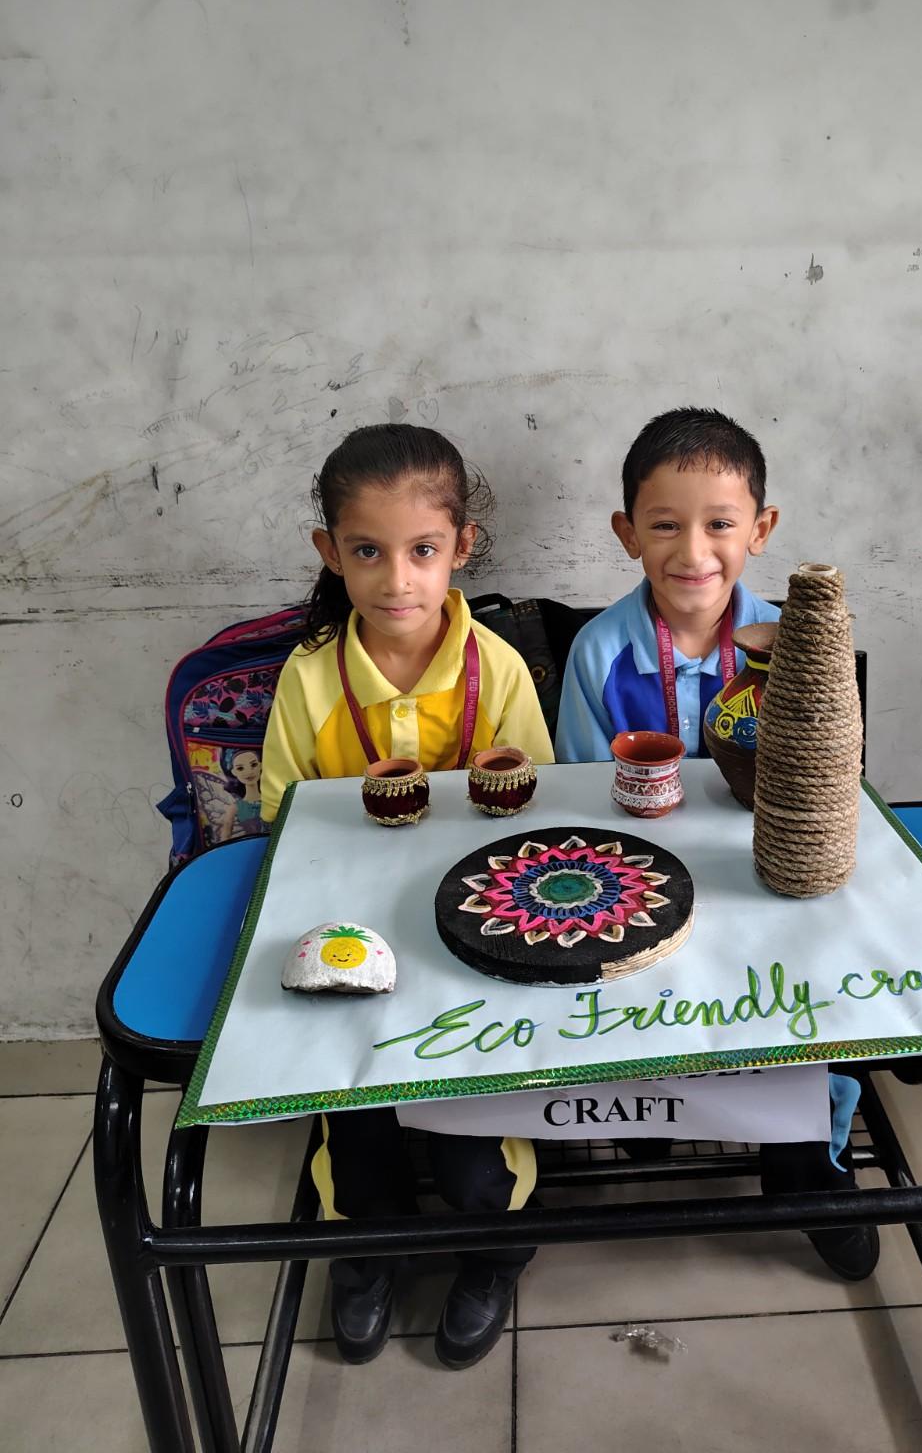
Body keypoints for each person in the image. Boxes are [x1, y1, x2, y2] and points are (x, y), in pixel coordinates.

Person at [556, 405, 879, 1281]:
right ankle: (646, 1110)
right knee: (619, 977)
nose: (693, 551)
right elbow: (583, 804)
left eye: (720, 525)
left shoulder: (803, 649)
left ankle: (807, 1164)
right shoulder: (597, 652)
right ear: (627, 533)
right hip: (640, 882)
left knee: (813, 980)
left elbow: (830, 791)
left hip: (767, 877)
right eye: (665, 525)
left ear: (761, 530)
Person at [261, 422, 554, 1369]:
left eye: (423, 550)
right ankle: (368, 1250)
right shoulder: (309, 681)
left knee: (475, 1138)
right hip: (347, 939)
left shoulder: (496, 669)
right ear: (329, 552)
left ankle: (494, 1254)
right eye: (368, 552)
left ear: (462, 546)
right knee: (353, 1123)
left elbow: (537, 820)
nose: (397, 580)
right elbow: (281, 825)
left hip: (476, 944)